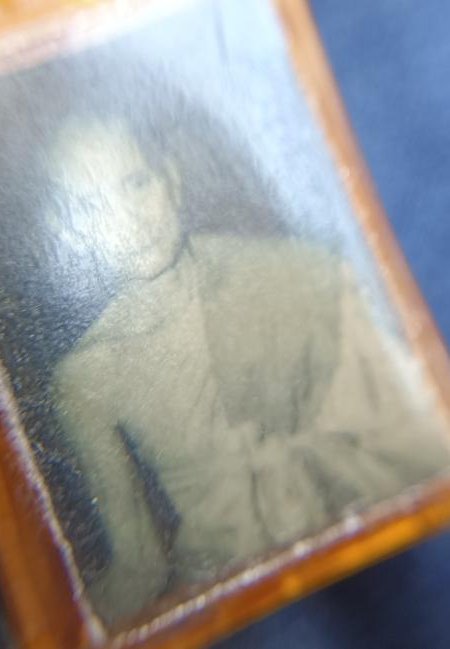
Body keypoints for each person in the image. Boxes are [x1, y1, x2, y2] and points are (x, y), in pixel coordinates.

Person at [51, 118, 450, 623]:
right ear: (72, 231)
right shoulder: (84, 378)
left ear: (171, 181)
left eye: (136, 183)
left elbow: (410, 429)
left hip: (360, 532)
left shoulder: (285, 269)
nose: (128, 219)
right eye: (92, 206)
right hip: (232, 597)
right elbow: (139, 567)